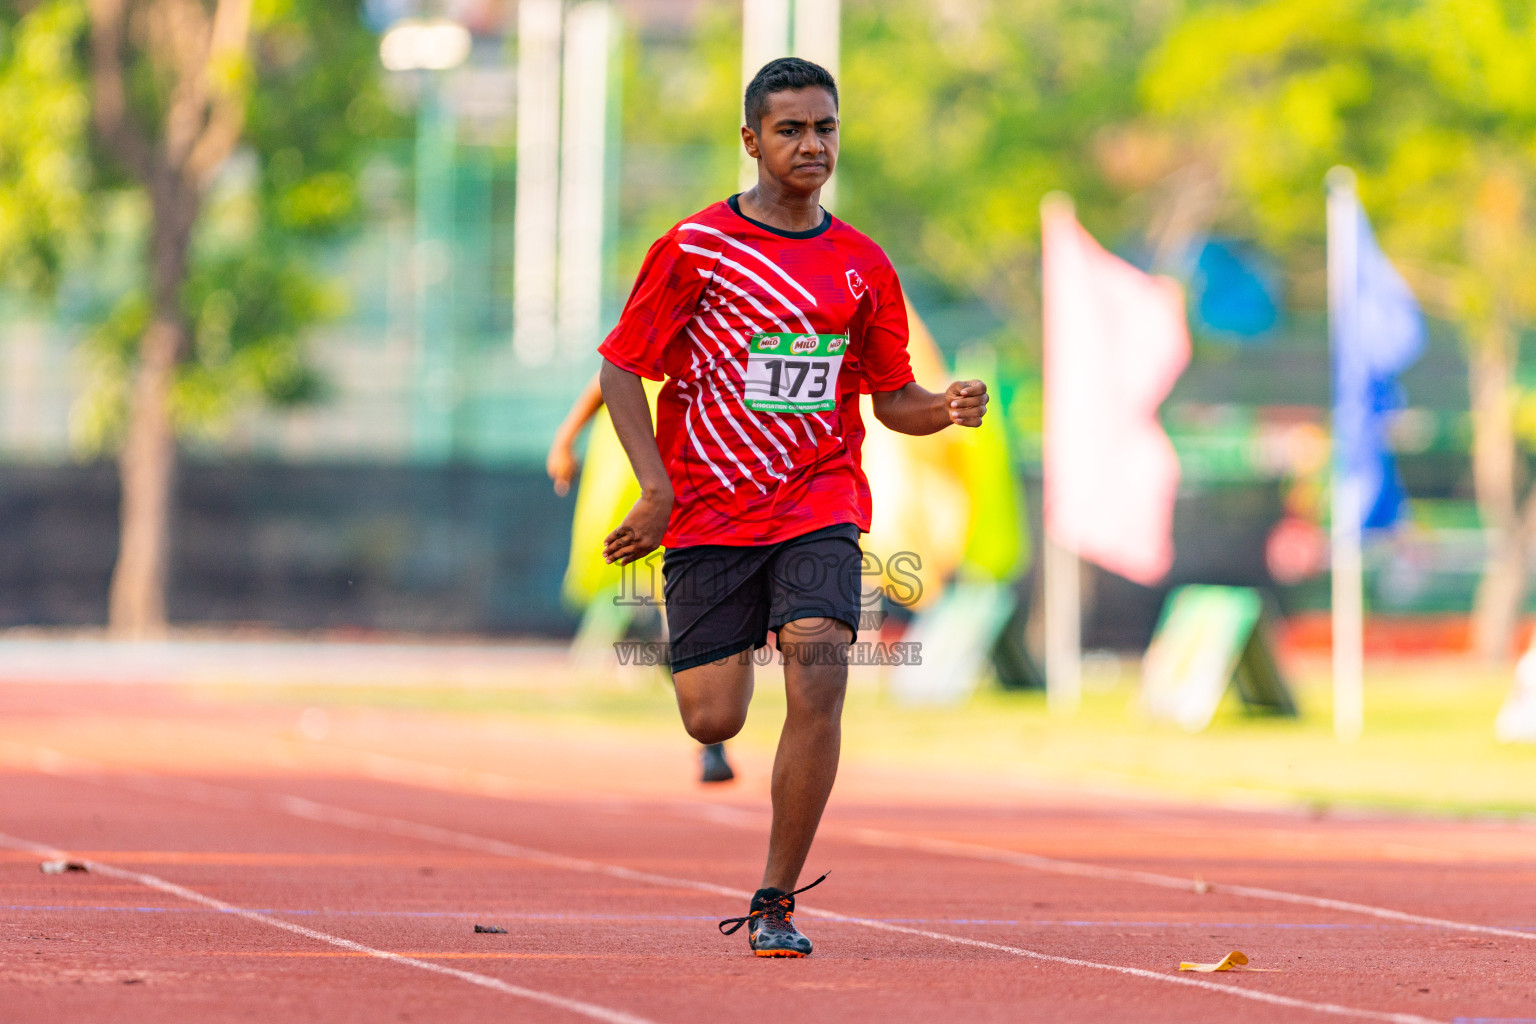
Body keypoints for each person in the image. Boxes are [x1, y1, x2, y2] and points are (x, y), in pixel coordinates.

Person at [599, 57, 989, 957]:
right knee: (715, 718)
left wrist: (945, 407)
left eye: (825, 129)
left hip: (819, 501)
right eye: (791, 130)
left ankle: (775, 900)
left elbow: (894, 399)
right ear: (751, 141)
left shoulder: (862, 266)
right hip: (706, 512)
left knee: (819, 675)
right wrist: (656, 491)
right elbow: (622, 366)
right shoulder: (696, 248)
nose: (812, 146)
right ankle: (699, 656)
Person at [547, 374, 737, 783]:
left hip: (692, 482)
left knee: (689, 621)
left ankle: (707, 729)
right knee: (672, 618)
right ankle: (710, 740)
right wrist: (565, 440)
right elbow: (607, 375)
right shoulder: (651, 322)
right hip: (633, 486)